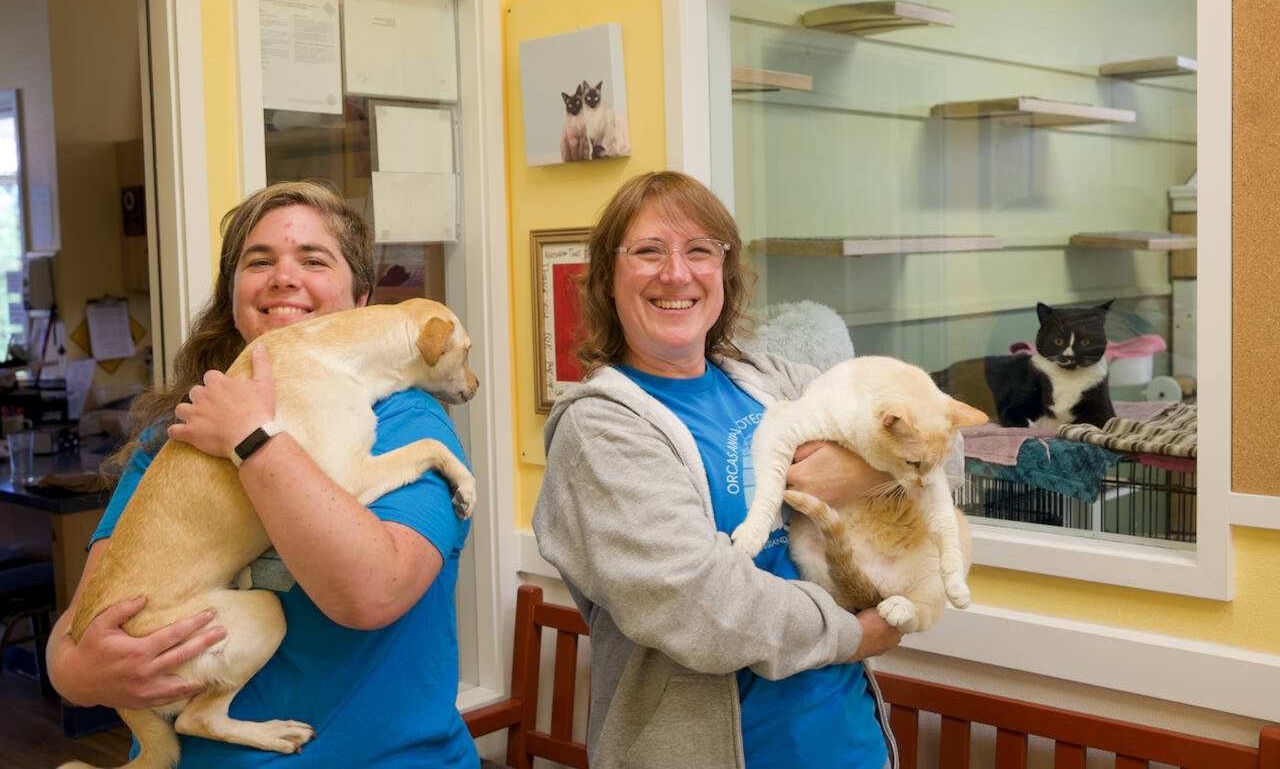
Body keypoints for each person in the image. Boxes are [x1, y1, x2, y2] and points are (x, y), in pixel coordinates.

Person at [46, 181, 479, 768]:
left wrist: (251, 438)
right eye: (259, 261)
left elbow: (370, 593)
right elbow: (80, 630)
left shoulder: (405, 422)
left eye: (313, 260)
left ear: (363, 300)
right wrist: (79, 673)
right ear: (234, 298)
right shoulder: (180, 431)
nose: (283, 276)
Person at [533, 171, 907, 769]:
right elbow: (700, 604)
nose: (676, 273)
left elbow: (940, 437)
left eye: (700, 250)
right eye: (648, 251)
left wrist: (859, 474)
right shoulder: (601, 429)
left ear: (724, 276)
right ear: (607, 279)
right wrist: (853, 635)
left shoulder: (771, 382)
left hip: (852, 746)